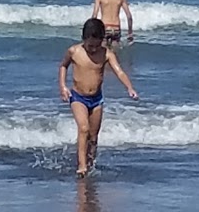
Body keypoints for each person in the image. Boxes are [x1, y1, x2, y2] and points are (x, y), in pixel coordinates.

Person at [58, 17, 139, 177]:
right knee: (83, 128)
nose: (93, 49)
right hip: (78, 97)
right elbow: (63, 66)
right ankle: (81, 166)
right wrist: (63, 86)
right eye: (90, 46)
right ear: (83, 39)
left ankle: (90, 164)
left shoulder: (106, 54)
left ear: (102, 41)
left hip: (96, 100)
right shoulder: (74, 51)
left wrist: (129, 88)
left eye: (96, 45)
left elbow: (119, 71)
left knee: (93, 137)